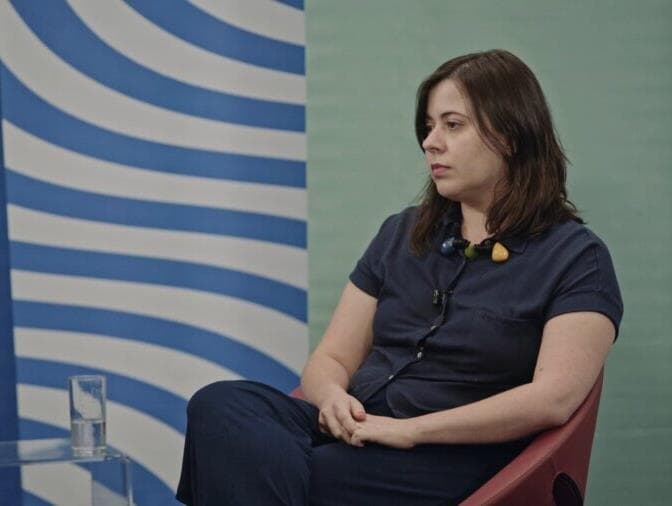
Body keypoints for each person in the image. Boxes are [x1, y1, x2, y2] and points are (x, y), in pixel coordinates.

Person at [176, 49, 623, 506]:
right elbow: (332, 357)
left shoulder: (577, 258)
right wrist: (331, 398)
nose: (431, 142)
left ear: (510, 136)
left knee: (287, 473)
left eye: (452, 125)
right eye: (428, 127)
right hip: (358, 428)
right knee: (221, 405)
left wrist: (411, 431)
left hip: (451, 453)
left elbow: (552, 399)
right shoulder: (401, 233)